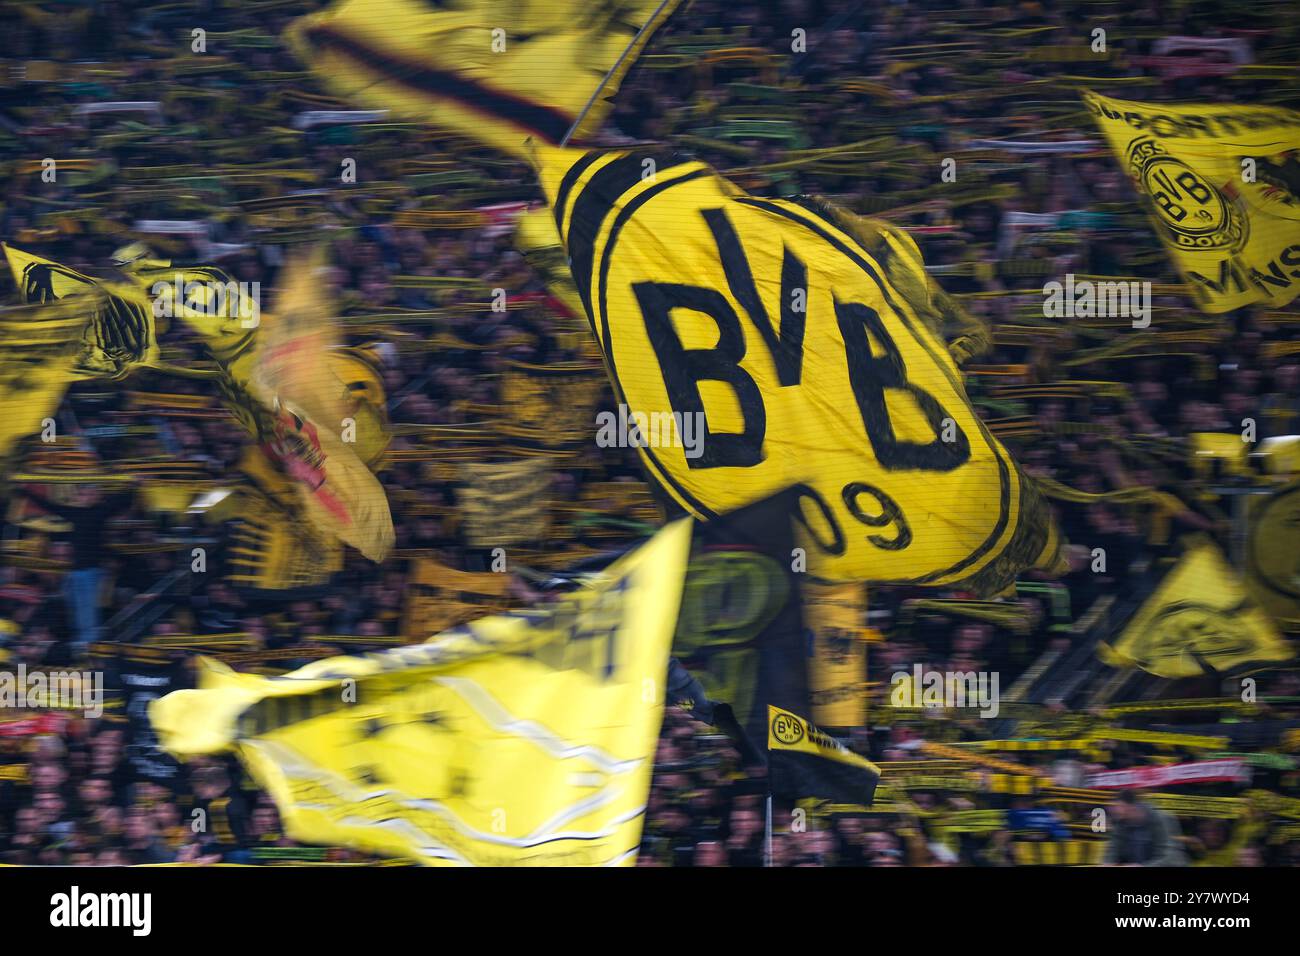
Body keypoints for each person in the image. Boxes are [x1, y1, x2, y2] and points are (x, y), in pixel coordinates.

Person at [16, 480, 136, 655]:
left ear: (96, 496)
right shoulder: (74, 513)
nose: (82, 497)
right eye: (81, 494)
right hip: (75, 572)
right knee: (71, 609)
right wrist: (25, 490)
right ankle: (75, 643)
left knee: (87, 614)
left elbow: (121, 500)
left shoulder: (100, 511)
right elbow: (49, 505)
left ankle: (88, 647)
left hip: (90, 572)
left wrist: (133, 485)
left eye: (87, 494)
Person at [1103, 789, 1188, 867]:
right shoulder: (1121, 823)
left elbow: (1169, 857)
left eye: (1117, 806)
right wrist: (1107, 863)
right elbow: (1113, 849)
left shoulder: (1162, 819)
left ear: (1130, 807)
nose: (1112, 810)